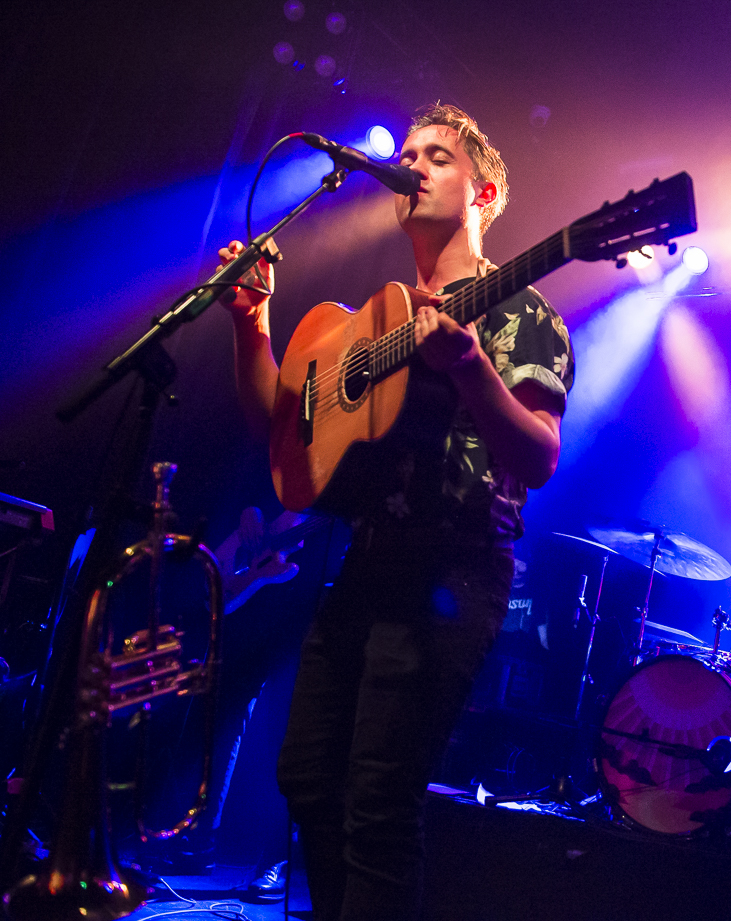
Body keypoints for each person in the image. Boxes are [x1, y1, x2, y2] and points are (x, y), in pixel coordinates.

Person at [218, 104, 574, 921]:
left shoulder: (522, 312)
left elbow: (540, 456)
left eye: (437, 157)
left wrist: (475, 369)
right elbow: (279, 417)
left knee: (379, 803)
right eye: (408, 153)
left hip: (450, 573)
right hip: (365, 567)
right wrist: (251, 325)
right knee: (306, 774)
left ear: (482, 194)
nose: (412, 165)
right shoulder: (363, 325)